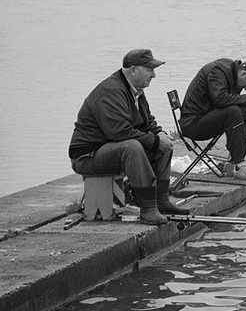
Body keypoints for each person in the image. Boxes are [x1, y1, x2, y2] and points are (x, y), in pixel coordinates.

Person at [69, 49, 189, 225]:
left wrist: (159, 134)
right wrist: (154, 141)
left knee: (164, 146)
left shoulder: (136, 91)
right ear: (133, 70)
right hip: (88, 156)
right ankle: (148, 209)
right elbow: (119, 132)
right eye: (149, 70)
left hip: (109, 149)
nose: (153, 75)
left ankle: (161, 201)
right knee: (132, 147)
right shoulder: (111, 91)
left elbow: (147, 121)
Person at [178, 58, 246, 182]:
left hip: (207, 117)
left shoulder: (232, 73)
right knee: (234, 111)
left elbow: (231, 101)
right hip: (192, 124)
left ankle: (233, 162)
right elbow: (220, 99)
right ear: (243, 74)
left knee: (243, 108)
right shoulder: (218, 71)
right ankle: (239, 164)